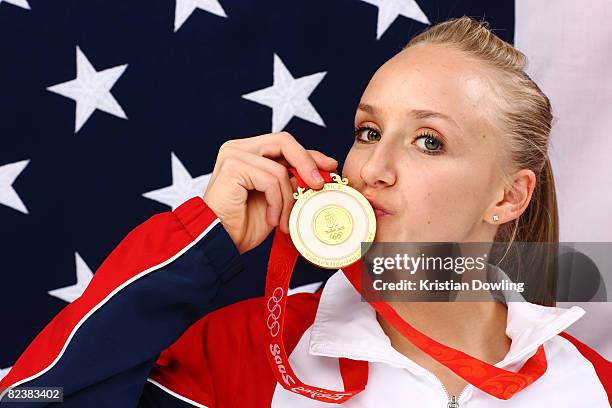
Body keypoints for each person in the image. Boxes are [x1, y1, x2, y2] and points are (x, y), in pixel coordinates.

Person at [1, 16, 610, 408]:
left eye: (429, 141)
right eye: (369, 131)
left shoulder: (592, 387)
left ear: (509, 196)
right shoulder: (238, 356)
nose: (372, 169)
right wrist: (198, 245)